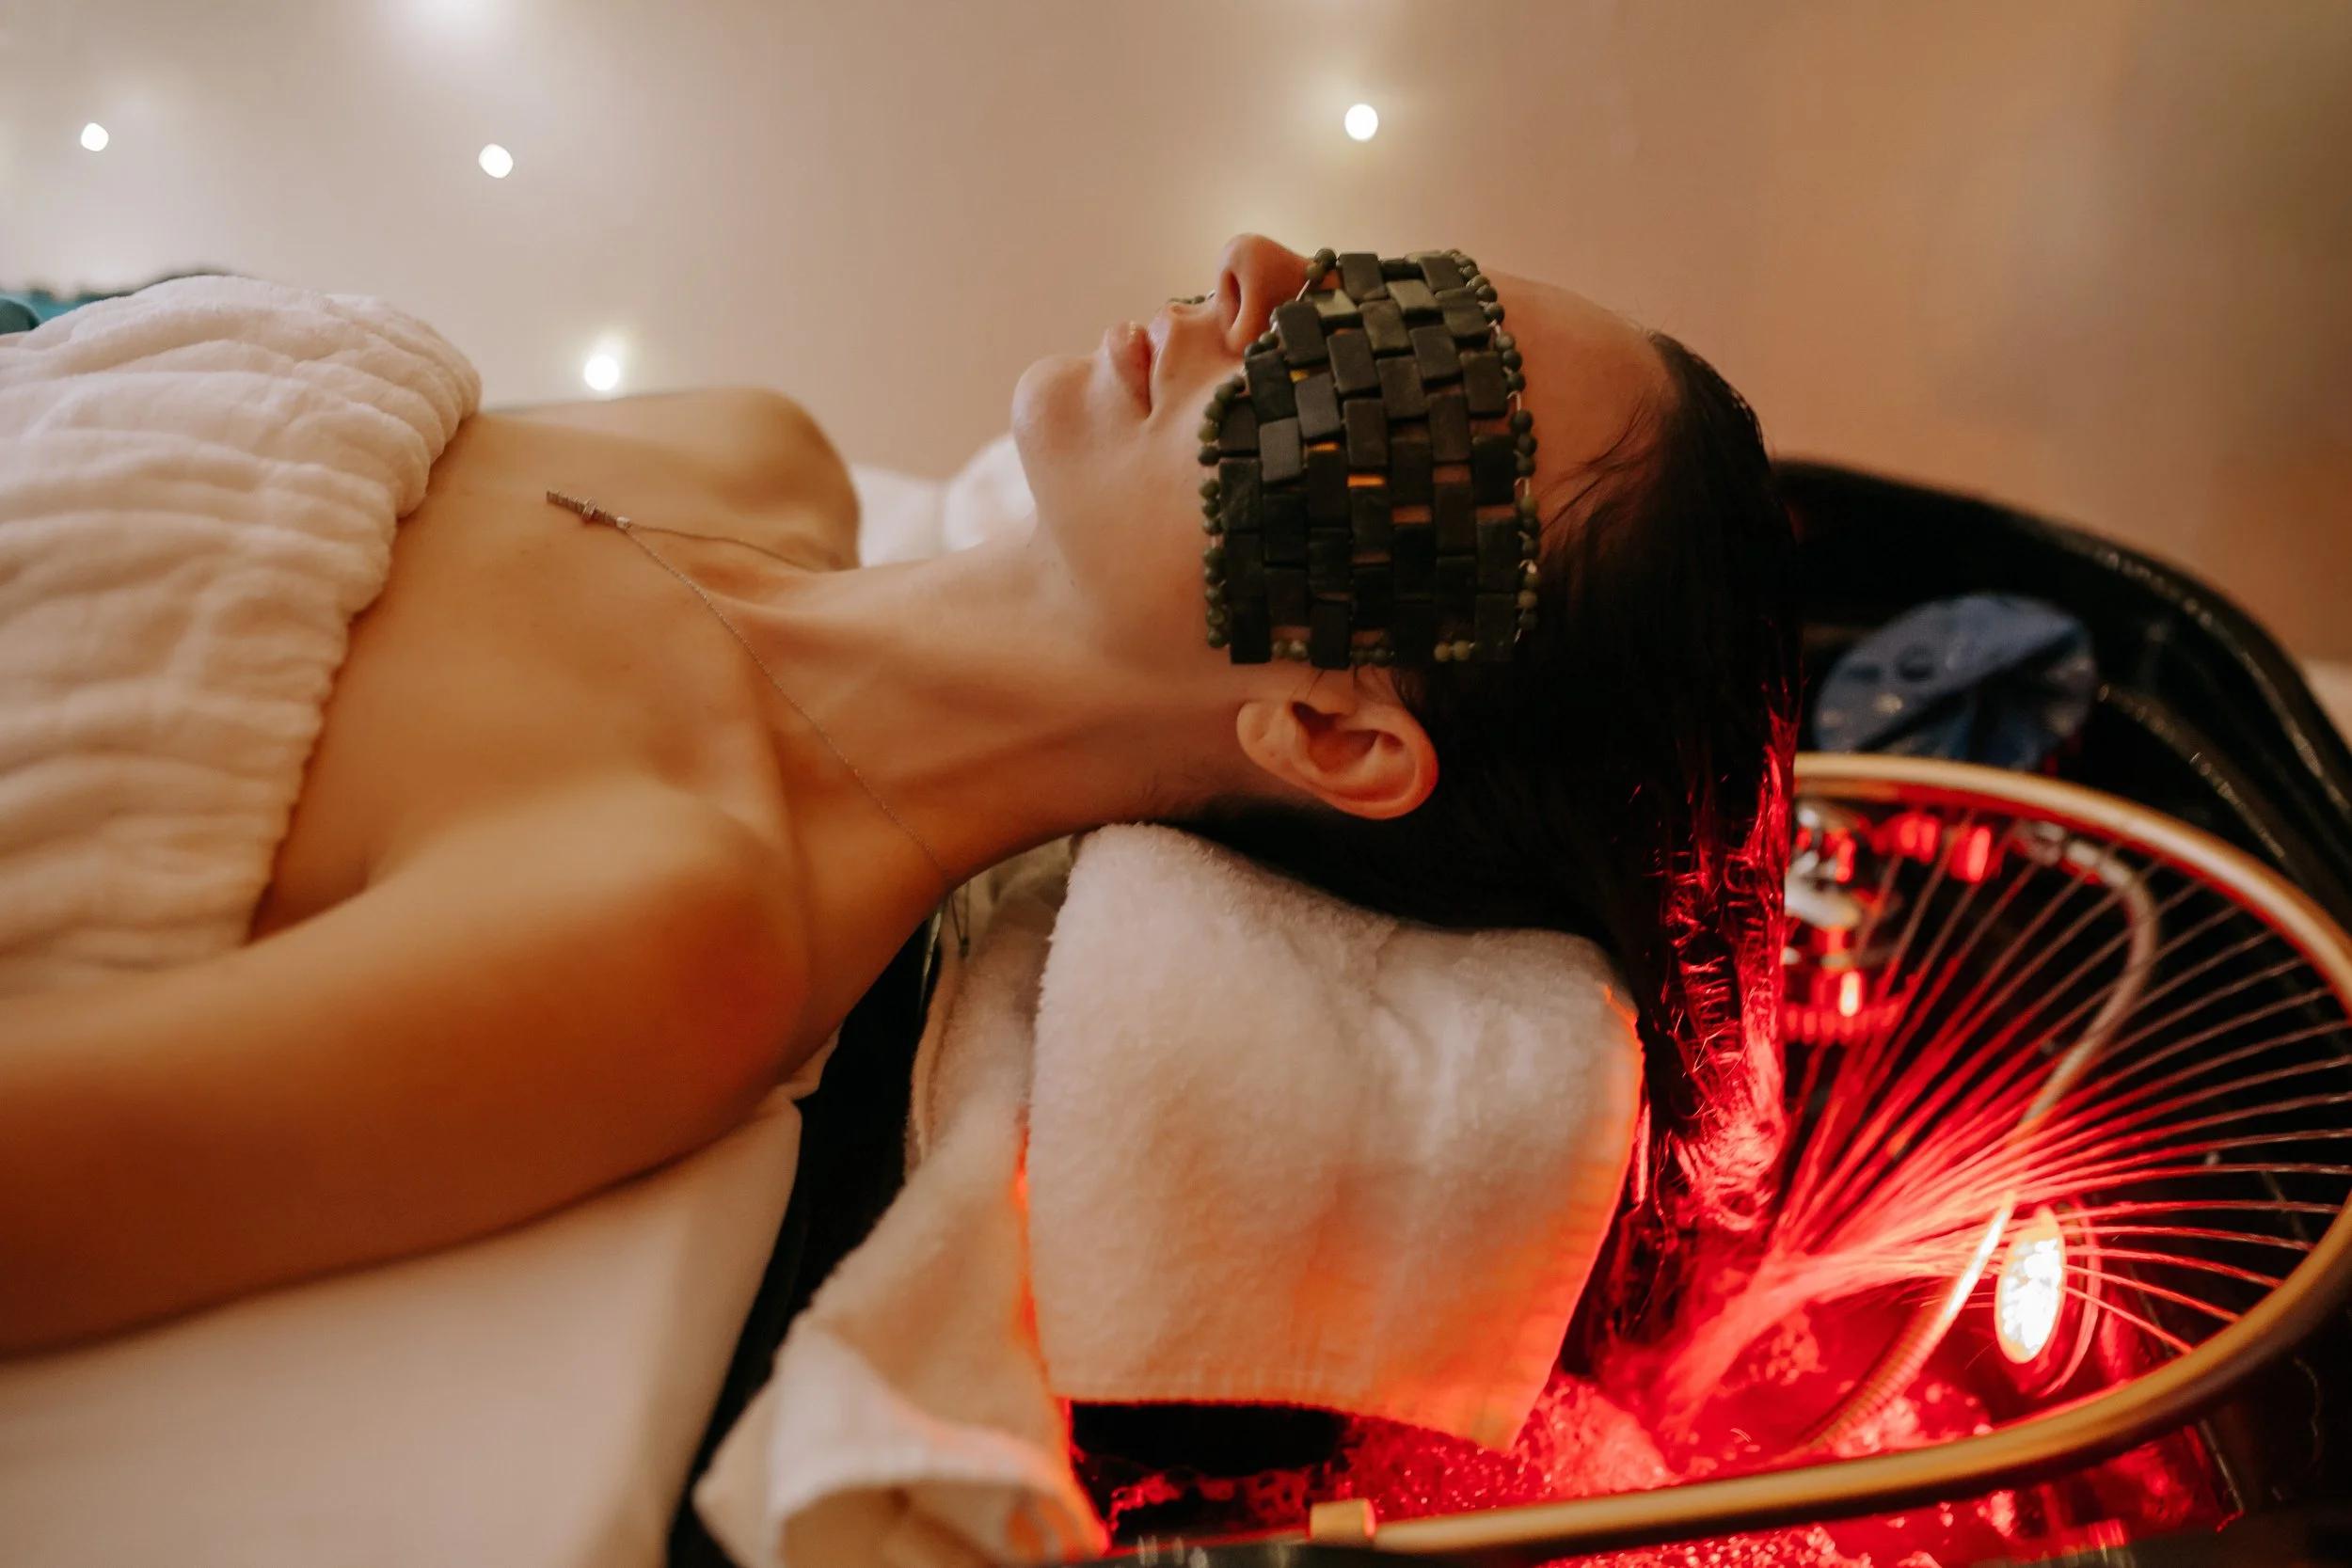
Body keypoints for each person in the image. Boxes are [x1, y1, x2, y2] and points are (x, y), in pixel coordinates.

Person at [0, 235, 1796, 1354]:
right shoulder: (737, 445)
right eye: (1378, 278)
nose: (1263, 274)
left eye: (1396, 380)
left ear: (1333, 732)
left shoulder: (673, 924)